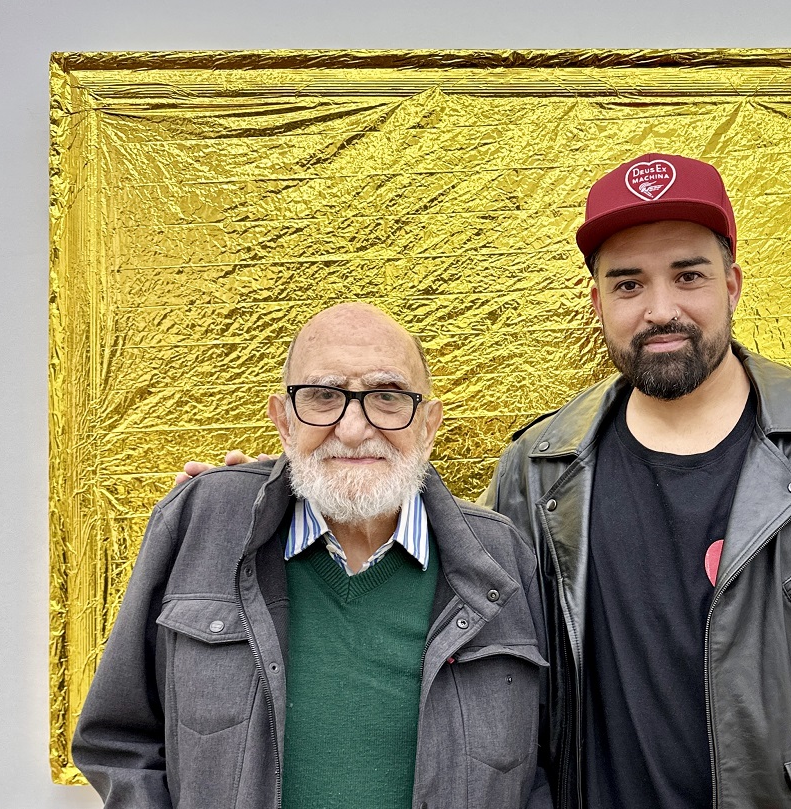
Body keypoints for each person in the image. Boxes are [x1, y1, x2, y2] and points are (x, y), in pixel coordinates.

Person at [481, 154, 791, 808]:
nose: (660, 310)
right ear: (597, 302)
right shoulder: (537, 467)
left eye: (689, 276)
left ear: (732, 285)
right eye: (628, 284)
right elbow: (502, 692)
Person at [73, 303, 551, 809]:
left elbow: (547, 769)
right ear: (283, 420)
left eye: (388, 396)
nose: (353, 430)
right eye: (323, 396)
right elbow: (119, 742)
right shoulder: (200, 521)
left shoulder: (502, 559)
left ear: (428, 425)